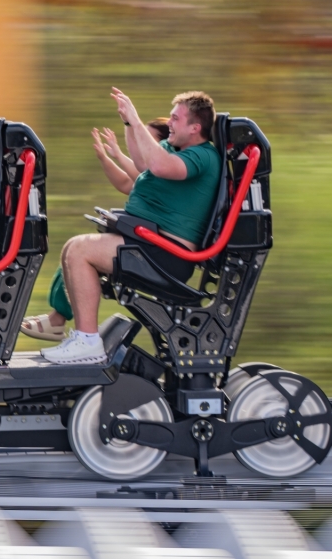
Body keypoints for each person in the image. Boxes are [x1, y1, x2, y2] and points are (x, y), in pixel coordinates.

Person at [39, 89, 219, 364]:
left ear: (195, 127)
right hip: (150, 244)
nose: (169, 122)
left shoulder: (202, 157)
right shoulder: (178, 149)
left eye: (175, 118)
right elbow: (142, 162)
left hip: (167, 254)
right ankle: (81, 338)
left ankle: (87, 342)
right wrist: (128, 124)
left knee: (80, 253)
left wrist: (136, 122)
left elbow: (159, 166)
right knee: (72, 248)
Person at [20, 118, 170, 342]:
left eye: (145, 141)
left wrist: (118, 154)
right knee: (73, 248)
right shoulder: (152, 176)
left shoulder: (165, 173)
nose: (140, 146)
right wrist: (104, 157)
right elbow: (124, 183)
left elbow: (139, 176)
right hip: (136, 237)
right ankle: (58, 318)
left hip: (150, 248)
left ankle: (74, 330)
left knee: (80, 251)